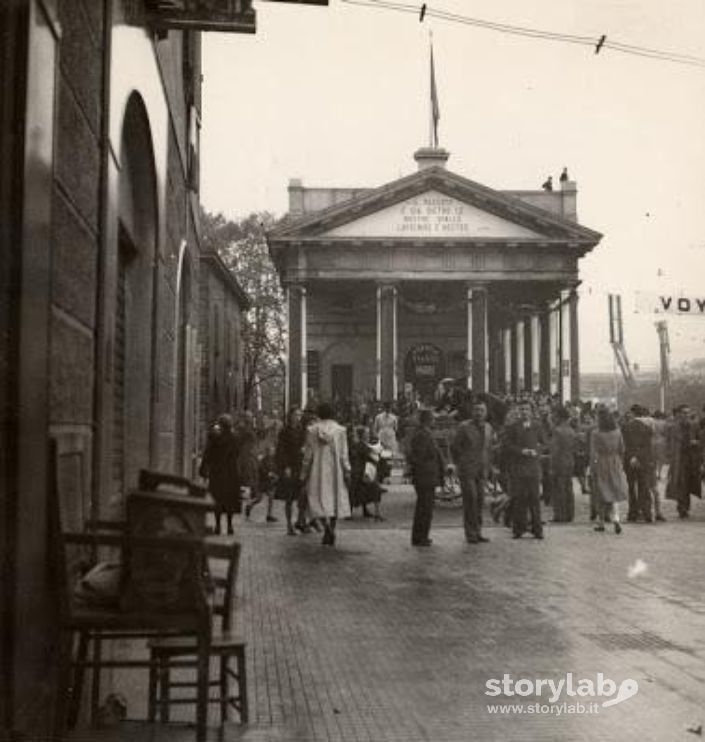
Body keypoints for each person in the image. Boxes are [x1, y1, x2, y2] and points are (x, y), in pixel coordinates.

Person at [301, 402, 352, 546]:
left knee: (317, 499)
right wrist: (347, 470)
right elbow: (344, 454)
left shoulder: (312, 430)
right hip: (335, 470)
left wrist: (303, 473)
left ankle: (327, 528)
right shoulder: (340, 430)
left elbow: (308, 455)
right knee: (334, 500)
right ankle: (332, 528)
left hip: (317, 470)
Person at [451, 399, 493, 543]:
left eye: (482, 410)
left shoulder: (488, 428)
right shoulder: (464, 427)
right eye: (476, 410)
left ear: (486, 413)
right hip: (467, 469)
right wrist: (459, 464)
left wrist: (490, 467)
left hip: (482, 470)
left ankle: (478, 531)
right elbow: (455, 447)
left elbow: (489, 449)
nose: (479, 413)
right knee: (471, 500)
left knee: (480, 500)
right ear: (472, 412)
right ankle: (470, 533)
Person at [504, 400, 546, 540]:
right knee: (519, 498)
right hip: (519, 467)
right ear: (518, 411)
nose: (524, 412)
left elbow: (545, 443)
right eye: (521, 409)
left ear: (531, 411)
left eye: (527, 409)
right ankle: (518, 529)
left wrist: (537, 451)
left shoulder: (537, 426)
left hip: (533, 467)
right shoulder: (512, 427)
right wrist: (522, 451)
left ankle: (537, 529)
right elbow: (508, 445)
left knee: (534, 498)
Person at [407, 409, 445, 547]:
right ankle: (420, 536)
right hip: (425, 476)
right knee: (425, 508)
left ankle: (421, 535)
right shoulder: (423, 435)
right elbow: (420, 457)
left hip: (427, 475)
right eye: (432, 419)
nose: (434, 421)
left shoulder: (425, 433)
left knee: (425, 507)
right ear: (428, 420)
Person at [198, 414, 241, 535]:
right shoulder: (234, 438)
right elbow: (237, 454)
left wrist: (203, 469)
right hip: (231, 473)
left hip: (217, 473)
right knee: (230, 500)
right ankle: (230, 526)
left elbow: (208, 454)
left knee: (217, 500)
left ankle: (217, 526)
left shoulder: (214, 438)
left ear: (220, 425)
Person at [590, 407, 627, 534]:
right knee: (614, 491)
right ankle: (616, 518)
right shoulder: (617, 431)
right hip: (615, 462)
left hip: (601, 462)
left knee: (601, 492)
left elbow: (593, 453)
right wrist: (619, 462)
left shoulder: (596, 433)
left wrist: (592, 467)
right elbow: (622, 449)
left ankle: (601, 522)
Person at [666, 404, 703, 518]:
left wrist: (696, 443)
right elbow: (669, 443)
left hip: (692, 459)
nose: (686, 415)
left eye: (688, 413)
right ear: (679, 414)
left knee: (689, 483)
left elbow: (701, 441)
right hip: (679, 460)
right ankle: (682, 508)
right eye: (684, 413)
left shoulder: (694, 425)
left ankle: (685, 506)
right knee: (680, 484)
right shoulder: (673, 427)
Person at [275, 407, 307, 535]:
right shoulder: (284, 431)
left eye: (300, 415)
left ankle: (300, 520)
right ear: (290, 416)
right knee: (289, 497)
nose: (298, 417)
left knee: (303, 494)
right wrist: (285, 466)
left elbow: (305, 444)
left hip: (300, 465)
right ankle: (289, 525)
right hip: (290, 466)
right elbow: (281, 450)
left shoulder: (302, 430)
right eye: (296, 415)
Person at [621, 405, 654, 523]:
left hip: (629, 460)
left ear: (633, 413)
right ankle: (647, 513)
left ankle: (633, 513)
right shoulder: (647, 428)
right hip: (644, 460)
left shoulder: (625, 427)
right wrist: (640, 457)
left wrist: (633, 457)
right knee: (644, 486)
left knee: (631, 487)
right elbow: (647, 446)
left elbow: (627, 445)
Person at [550, 406, 577, 523]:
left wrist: (551, 466)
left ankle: (560, 515)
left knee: (558, 489)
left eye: (555, 416)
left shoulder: (557, 431)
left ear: (560, 417)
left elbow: (555, 450)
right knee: (568, 488)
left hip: (559, 462)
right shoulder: (572, 431)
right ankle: (569, 514)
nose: (553, 418)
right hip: (570, 461)